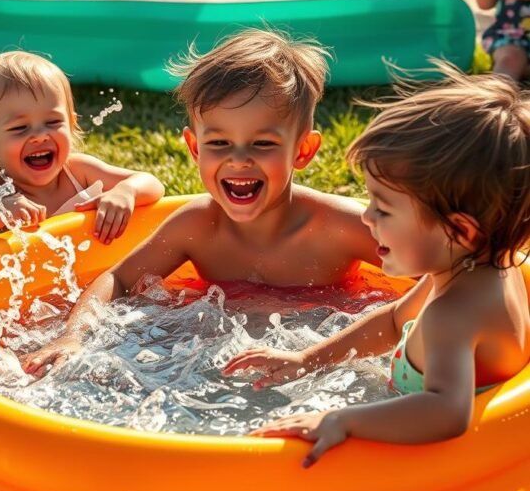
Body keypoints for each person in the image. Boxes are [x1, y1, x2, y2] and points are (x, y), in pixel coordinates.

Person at [22, 29, 379, 374]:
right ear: (195, 148)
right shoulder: (196, 226)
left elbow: (431, 275)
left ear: (302, 151)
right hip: (217, 350)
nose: (239, 159)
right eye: (220, 144)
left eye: (263, 144)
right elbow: (118, 280)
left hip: (325, 347)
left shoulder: (340, 228)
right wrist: (71, 337)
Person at [224, 66, 530, 465]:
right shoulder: (480, 270)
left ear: (459, 231)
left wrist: (342, 420)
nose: (366, 218)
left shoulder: (451, 316)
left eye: (383, 210)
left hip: (444, 472)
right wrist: (306, 360)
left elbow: (447, 412)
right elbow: (392, 322)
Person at [0, 51, 164, 262]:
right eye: (20, 128)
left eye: (53, 122)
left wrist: (126, 191)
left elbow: (153, 184)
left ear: (72, 123)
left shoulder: (79, 172)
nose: (40, 136)